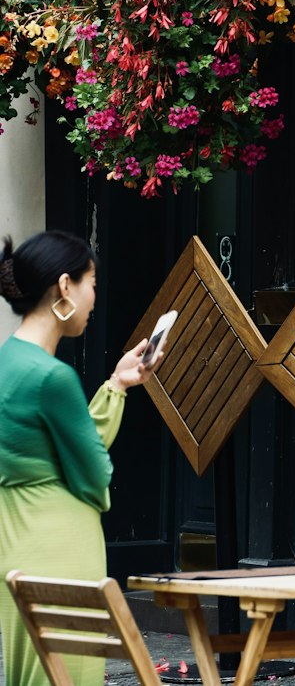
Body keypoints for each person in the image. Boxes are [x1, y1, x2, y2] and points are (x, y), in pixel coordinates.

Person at [0, 230, 165, 686]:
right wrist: (87, 476)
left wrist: (117, 384)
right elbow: (94, 472)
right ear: (66, 286)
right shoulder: (53, 377)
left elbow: (62, 447)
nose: (95, 297)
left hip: (16, 540)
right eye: (92, 283)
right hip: (62, 548)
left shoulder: (8, 362)